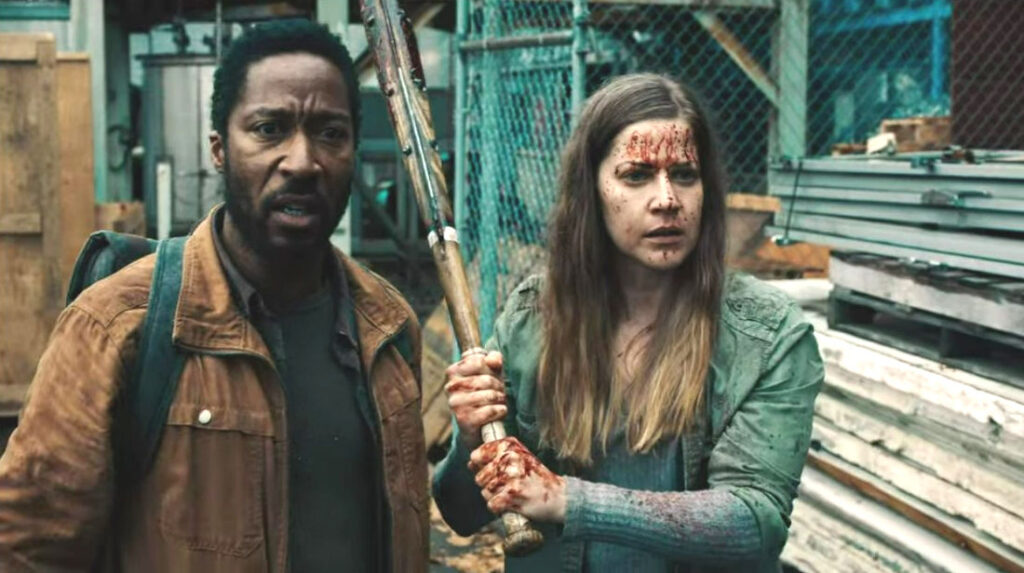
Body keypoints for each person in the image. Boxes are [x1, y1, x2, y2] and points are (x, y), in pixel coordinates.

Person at [0, 20, 428, 573]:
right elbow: (26, 550)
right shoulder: (116, 328)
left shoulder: (389, 328)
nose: (303, 161)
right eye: (269, 129)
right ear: (219, 150)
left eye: (330, 133)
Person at [433, 73, 824, 572]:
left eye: (685, 174)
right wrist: (472, 439)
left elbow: (755, 522)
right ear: (590, 191)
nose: (667, 199)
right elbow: (461, 514)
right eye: (636, 175)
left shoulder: (767, 335)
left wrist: (567, 500)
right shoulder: (533, 318)